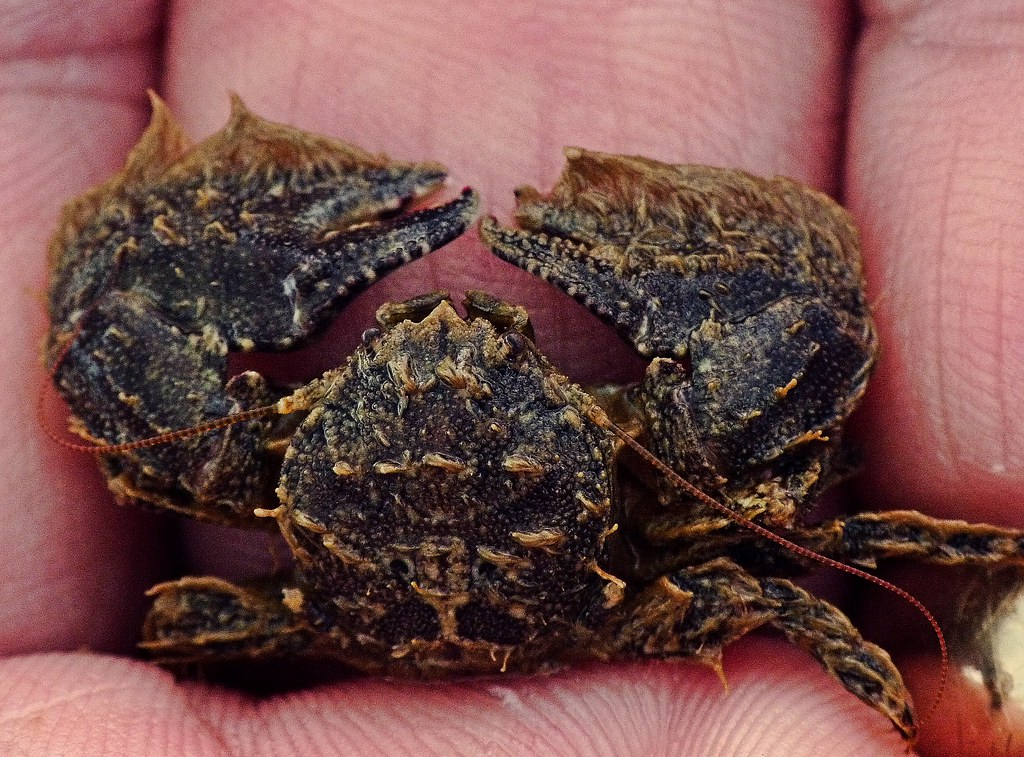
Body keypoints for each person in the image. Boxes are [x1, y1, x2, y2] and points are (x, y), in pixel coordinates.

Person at [2, 1, 1020, 754]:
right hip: (620, 639)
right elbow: (805, 325)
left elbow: (108, 329)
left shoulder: (235, 481)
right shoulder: (667, 505)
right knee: (796, 564)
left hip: (309, 632)